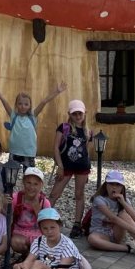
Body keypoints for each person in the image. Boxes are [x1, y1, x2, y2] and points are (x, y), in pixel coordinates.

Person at [0, 77, 66, 169]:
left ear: (30, 105)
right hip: (14, 151)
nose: (23, 106)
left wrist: (57, 91)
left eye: (26, 104)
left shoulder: (32, 116)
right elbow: (3, 99)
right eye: (20, 103)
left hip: (29, 153)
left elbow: (44, 101)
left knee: (29, 175)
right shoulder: (13, 116)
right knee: (11, 175)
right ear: (16, 105)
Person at [49, 99, 93, 237]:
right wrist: (60, 166)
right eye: (75, 114)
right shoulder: (64, 128)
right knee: (55, 193)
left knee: (79, 194)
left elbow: (86, 152)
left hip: (82, 167)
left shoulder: (88, 132)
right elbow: (56, 147)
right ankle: (44, 217)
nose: (78, 116)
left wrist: (88, 171)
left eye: (80, 113)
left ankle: (77, 224)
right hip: (66, 166)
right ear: (70, 114)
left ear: (84, 113)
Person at [86, 170, 135, 253]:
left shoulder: (124, 200)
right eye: (111, 184)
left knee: (123, 214)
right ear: (106, 185)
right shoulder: (99, 199)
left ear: (122, 187)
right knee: (92, 239)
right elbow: (113, 218)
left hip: (116, 233)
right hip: (100, 233)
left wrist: (123, 203)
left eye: (118, 185)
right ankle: (128, 248)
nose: (114, 187)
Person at [9, 166, 51, 257]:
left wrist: (38, 211)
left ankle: (31, 257)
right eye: (29, 183)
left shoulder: (44, 202)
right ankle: (28, 255)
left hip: (37, 232)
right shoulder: (16, 198)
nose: (31, 187)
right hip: (19, 231)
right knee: (16, 242)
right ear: (23, 182)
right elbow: (7, 215)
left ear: (41, 185)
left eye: (36, 184)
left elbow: (48, 224)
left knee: (44, 244)